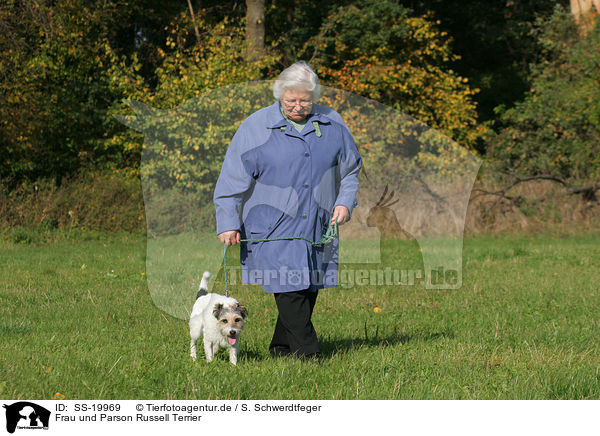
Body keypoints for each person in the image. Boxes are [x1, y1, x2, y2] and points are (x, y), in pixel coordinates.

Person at [213, 61, 362, 360]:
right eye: (291, 100)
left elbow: (351, 171)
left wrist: (345, 202)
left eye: (305, 100)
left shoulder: (333, 124)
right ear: (280, 95)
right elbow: (232, 177)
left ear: (314, 96)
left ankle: (281, 349)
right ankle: (310, 354)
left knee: (306, 290)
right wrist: (227, 220)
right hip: (272, 228)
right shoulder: (255, 127)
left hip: (318, 226)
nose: (298, 106)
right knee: (290, 291)